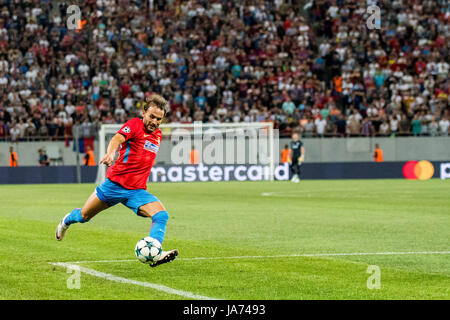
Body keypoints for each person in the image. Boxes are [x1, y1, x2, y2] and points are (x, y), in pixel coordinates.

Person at [55, 94, 178, 267]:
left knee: (161, 215)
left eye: (159, 119)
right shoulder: (134, 124)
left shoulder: (157, 134)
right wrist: (111, 152)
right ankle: (66, 221)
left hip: (136, 191)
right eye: (151, 117)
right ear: (143, 112)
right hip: (114, 185)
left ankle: (155, 252)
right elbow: (117, 138)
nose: (155, 122)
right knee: (84, 216)